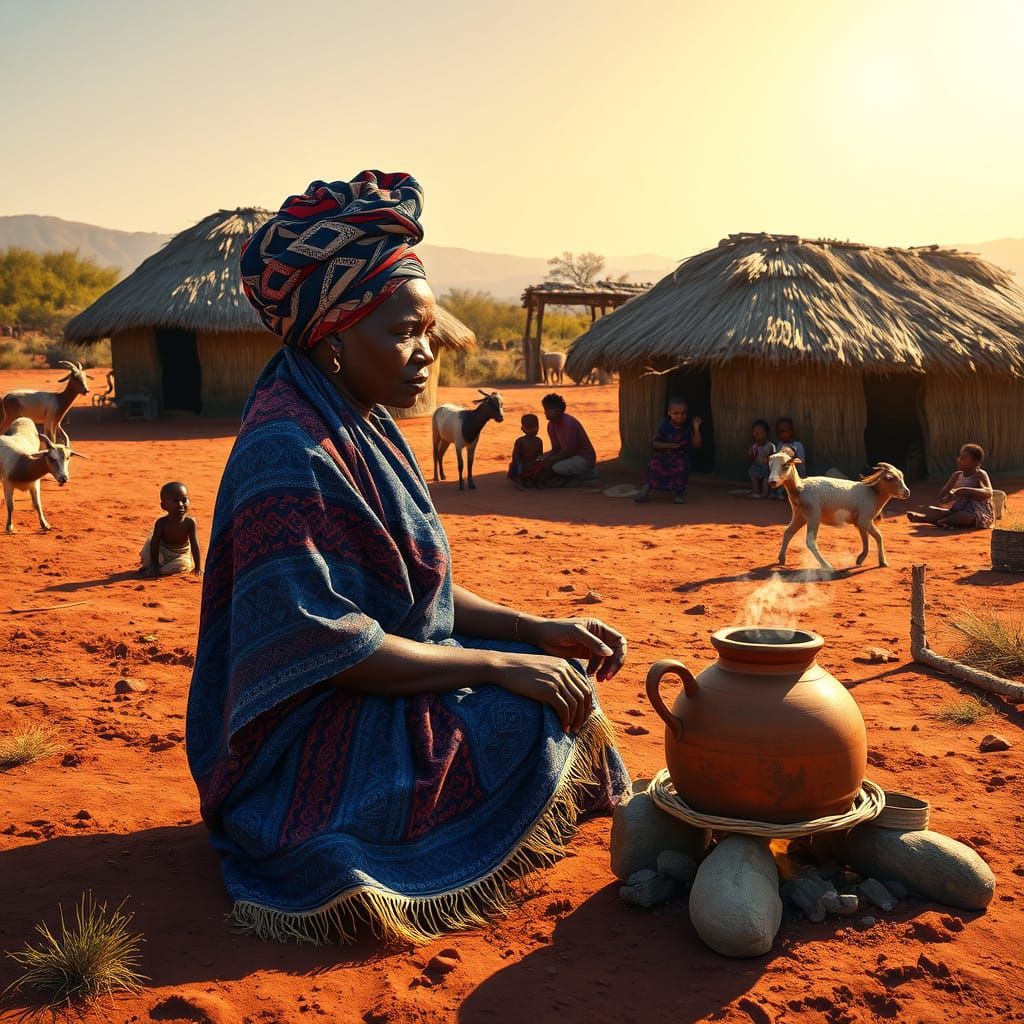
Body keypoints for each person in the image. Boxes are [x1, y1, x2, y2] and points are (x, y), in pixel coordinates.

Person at [187, 172, 630, 947]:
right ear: (334, 338)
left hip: (381, 672)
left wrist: (535, 629)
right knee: (524, 714)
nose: (427, 353)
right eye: (404, 333)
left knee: (556, 675)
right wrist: (500, 666)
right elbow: (329, 643)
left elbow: (418, 592)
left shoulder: (361, 419)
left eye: (429, 331)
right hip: (302, 735)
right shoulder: (287, 454)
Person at [907, 443, 995, 529]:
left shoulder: (980, 474)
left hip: (976, 512)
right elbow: (942, 495)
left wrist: (966, 490)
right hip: (957, 509)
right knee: (930, 510)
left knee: (963, 516)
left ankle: (935, 520)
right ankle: (944, 521)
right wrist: (950, 496)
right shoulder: (956, 476)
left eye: (963, 458)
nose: (959, 460)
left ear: (975, 462)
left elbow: (988, 492)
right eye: (960, 457)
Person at [634, 397, 702, 504]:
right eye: (676, 413)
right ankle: (644, 491)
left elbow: (697, 445)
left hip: (680, 456)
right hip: (663, 455)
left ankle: (679, 494)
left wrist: (696, 428)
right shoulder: (664, 426)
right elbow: (654, 443)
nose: (680, 416)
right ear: (669, 413)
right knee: (653, 465)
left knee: (681, 466)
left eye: (683, 413)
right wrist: (670, 446)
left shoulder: (687, 429)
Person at [140, 481, 202, 577]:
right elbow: (155, 543)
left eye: (184, 500)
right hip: (162, 550)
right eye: (176, 501)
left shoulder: (190, 522)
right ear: (164, 506)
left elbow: (194, 544)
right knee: (149, 551)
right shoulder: (161, 523)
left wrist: (198, 566)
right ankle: (153, 567)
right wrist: (154, 563)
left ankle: (157, 570)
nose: (181, 504)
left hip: (180, 555)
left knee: (182, 565)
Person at [539, 393, 598, 484]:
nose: (545, 412)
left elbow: (569, 451)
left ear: (558, 410)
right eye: (545, 409)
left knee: (557, 467)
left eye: (548, 409)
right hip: (570, 456)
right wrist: (542, 458)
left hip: (583, 458)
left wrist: (550, 460)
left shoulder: (568, 424)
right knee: (541, 461)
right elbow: (555, 449)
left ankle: (588, 474)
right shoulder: (551, 425)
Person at [508, 413, 545, 488]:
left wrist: (538, 462)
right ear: (522, 428)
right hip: (522, 463)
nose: (532, 430)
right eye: (529, 428)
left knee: (542, 467)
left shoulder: (539, 441)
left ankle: (537, 482)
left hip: (533, 464)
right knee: (515, 467)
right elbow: (515, 455)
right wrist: (519, 464)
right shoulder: (520, 441)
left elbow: (540, 454)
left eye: (535, 427)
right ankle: (520, 481)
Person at [747, 420, 775, 498]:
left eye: (760, 432)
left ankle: (765, 493)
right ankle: (755, 491)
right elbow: (750, 458)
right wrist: (753, 454)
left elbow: (773, 457)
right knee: (753, 474)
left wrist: (769, 460)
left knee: (766, 478)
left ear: (767, 433)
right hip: (757, 466)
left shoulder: (770, 446)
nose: (757, 434)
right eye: (755, 432)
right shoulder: (754, 446)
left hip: (767, 467)